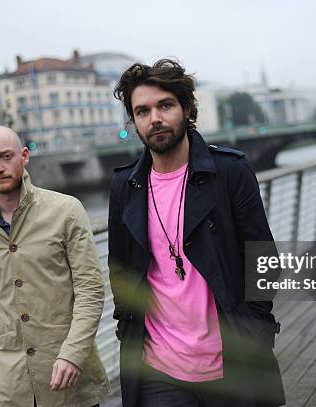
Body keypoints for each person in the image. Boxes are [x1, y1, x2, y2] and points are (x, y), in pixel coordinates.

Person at [108, 59, 285, 407]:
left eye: (165, 105)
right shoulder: (125, 186)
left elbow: (262, 259)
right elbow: (121, 268)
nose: (154, 118)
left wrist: (256, 329)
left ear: (186, 108)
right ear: (134, 120)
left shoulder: (229, 172)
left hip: (231, 363)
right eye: (142, 111)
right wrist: (126, 326)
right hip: (158, 370)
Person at [0, 126, 109, 407]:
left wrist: (73, 354)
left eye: (6, 157)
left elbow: (90, 290)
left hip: (67, 376)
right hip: (7, 384)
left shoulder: (65, 210)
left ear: (24, 156)